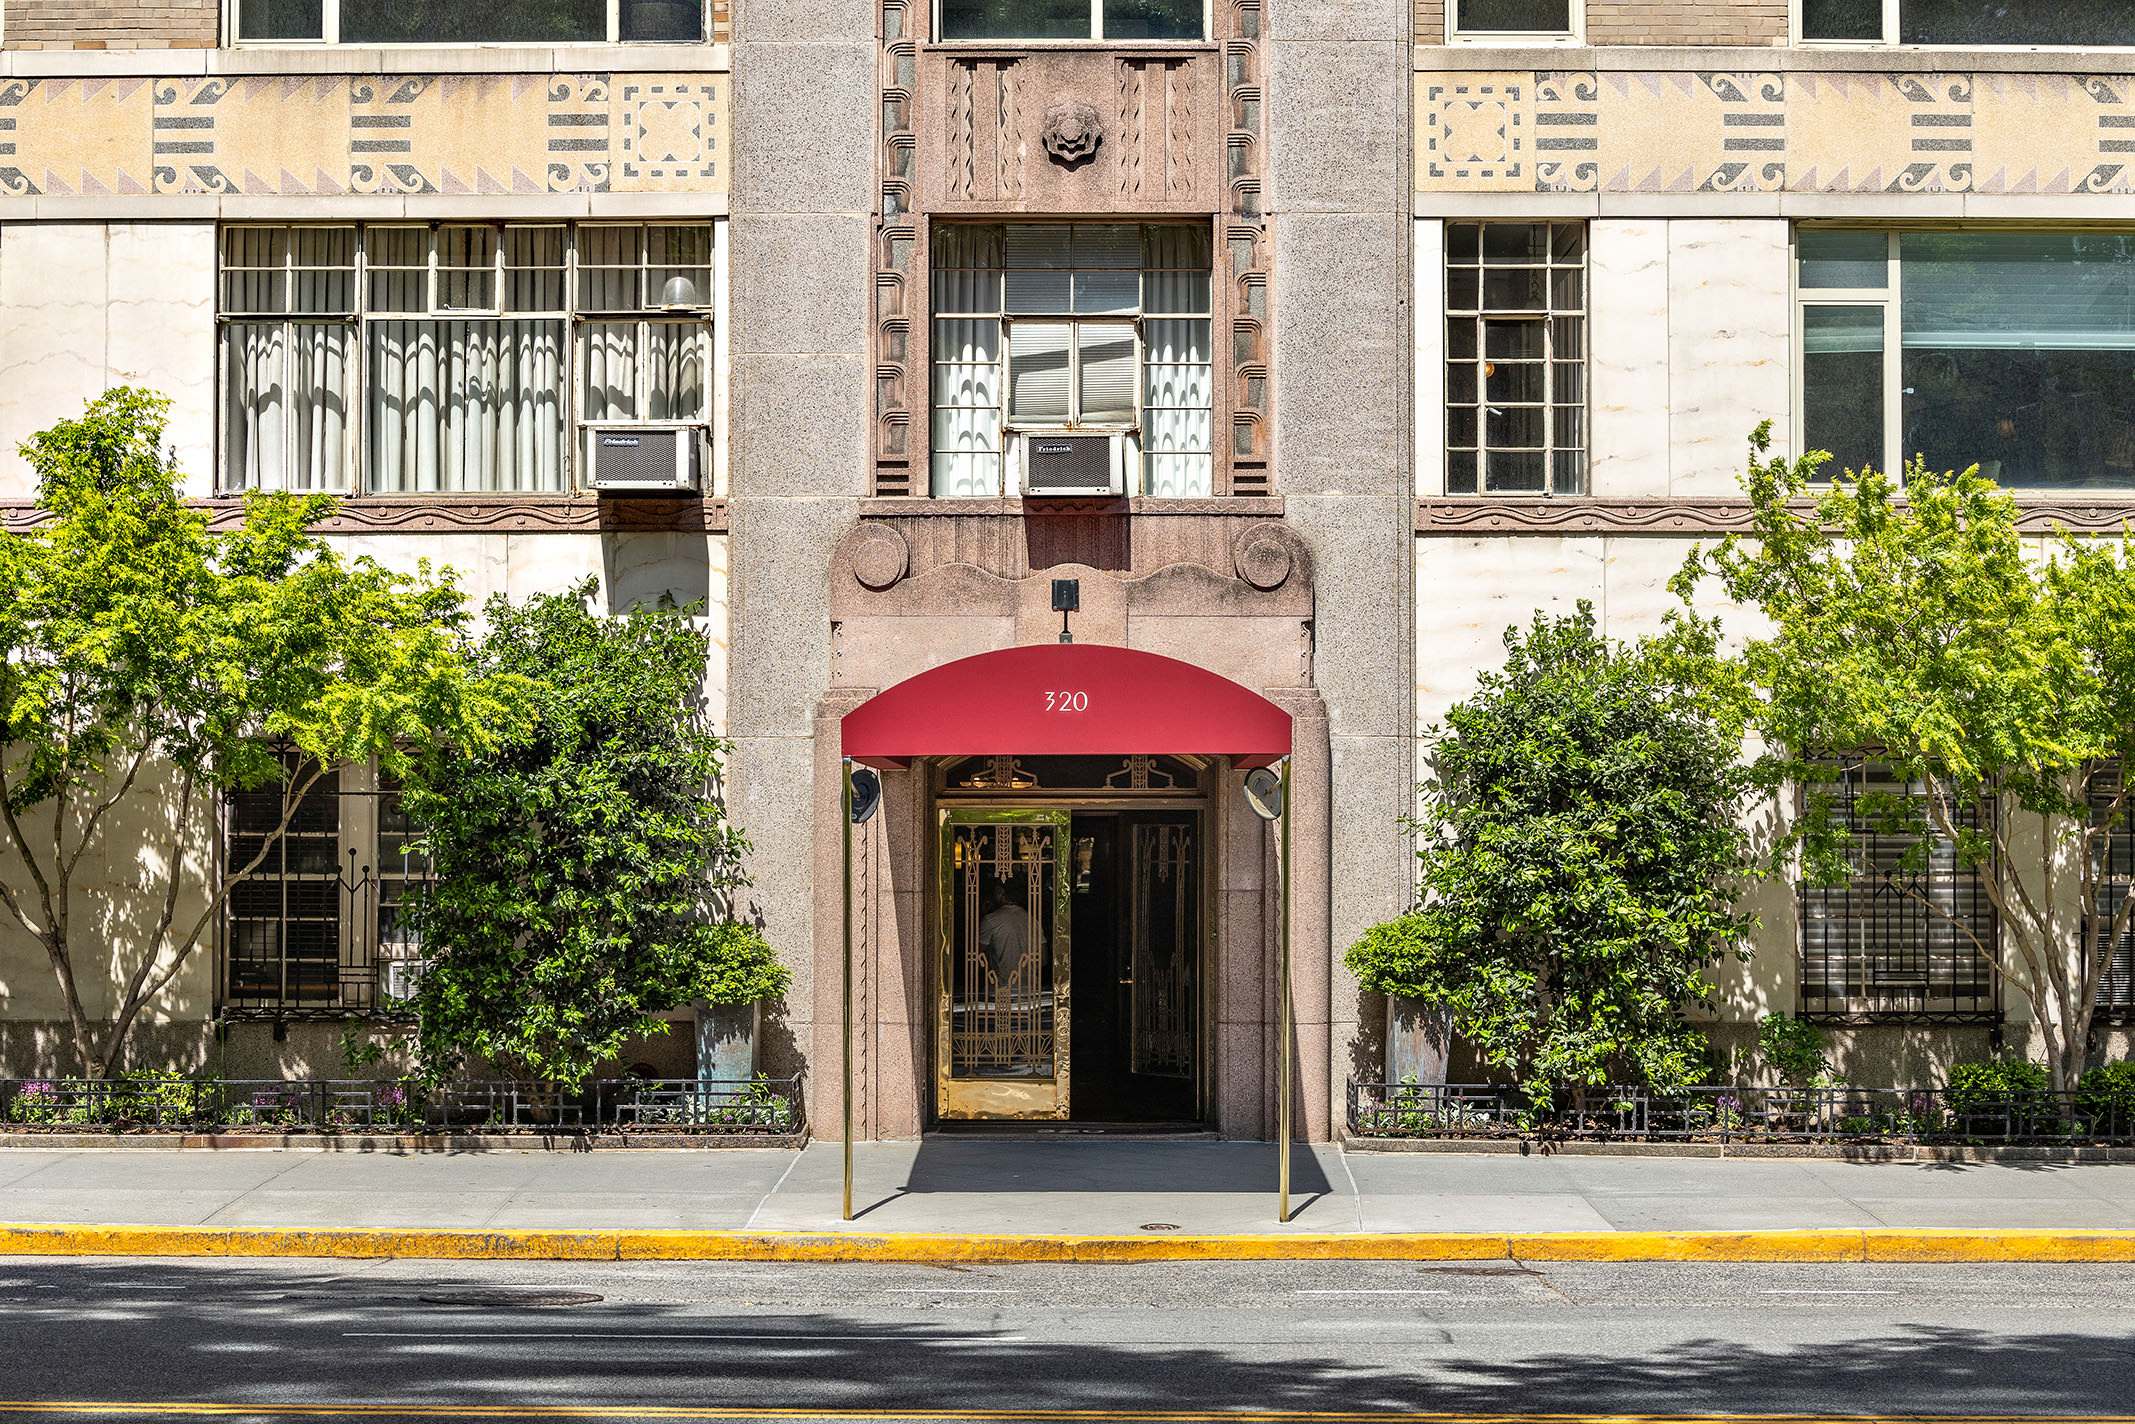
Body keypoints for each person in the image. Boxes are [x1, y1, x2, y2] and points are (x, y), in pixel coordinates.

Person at [977, 878, 1043, 995]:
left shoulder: (991, 920)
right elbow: (1043, 958)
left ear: (1000, 892)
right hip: (1030, 990)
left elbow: (977, 956)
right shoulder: (1033, 920)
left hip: (1000, 990)